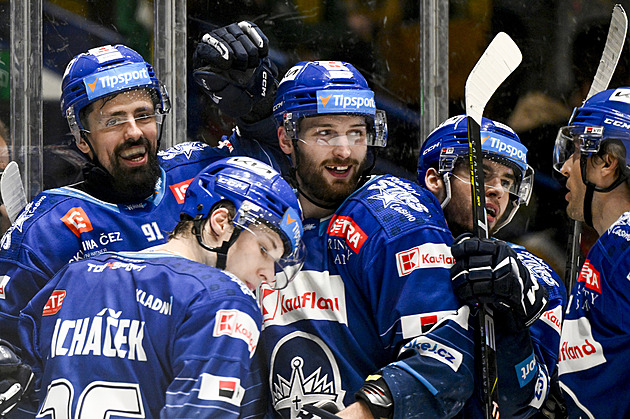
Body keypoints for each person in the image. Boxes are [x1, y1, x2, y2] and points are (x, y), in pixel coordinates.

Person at [193, 24, 476, 419]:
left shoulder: (391, 216)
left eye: (356, 133)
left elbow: (447, 359)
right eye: (326, 133)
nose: (344, 151)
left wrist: (360, 414)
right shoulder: (249, 216)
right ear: (287, 140)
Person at [0, 41, 286, 415]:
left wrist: (260, 113)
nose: (134, 132)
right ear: (82, 136)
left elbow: (285, 170)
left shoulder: (201, 172)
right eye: (114, 120)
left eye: (143, 114)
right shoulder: (49, 226)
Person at [16, 156, 304, 418]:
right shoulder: (224, 297)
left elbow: (21, 391)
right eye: (265, 250)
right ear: (221, 223)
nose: (267, 274)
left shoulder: (74, 276)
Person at [417, 115, 566, 417]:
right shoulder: (398, 248)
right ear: (435, 179)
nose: (497, 189)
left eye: (507, 181)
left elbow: (524, 404)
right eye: (482, 174)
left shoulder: (536, 276)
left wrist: (512, 323)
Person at [553, 87, 630, 418]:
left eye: (575, 152)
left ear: (607, 163)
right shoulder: (611, 249)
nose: (565, 168)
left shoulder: (620, 248)